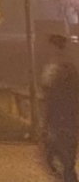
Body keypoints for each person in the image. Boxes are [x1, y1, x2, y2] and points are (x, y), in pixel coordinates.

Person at [42, 34, 79, 182]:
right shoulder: (53, 68)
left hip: (66, 121)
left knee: (65, 160)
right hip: (57, 120)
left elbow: (72, 96)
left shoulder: (67, 71)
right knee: (54, 157)